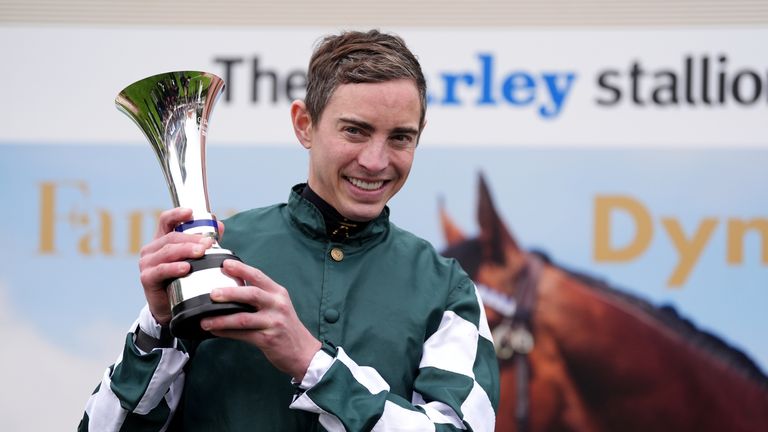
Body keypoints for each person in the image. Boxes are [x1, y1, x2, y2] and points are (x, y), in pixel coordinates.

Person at [79, 29, 499, 431]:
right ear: (304, 124)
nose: (375, 160)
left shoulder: (445, 288)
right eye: (355, 130)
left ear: (419, 137)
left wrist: (311, 363)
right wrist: (158, 328)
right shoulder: (216, 256)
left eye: (400, 138)